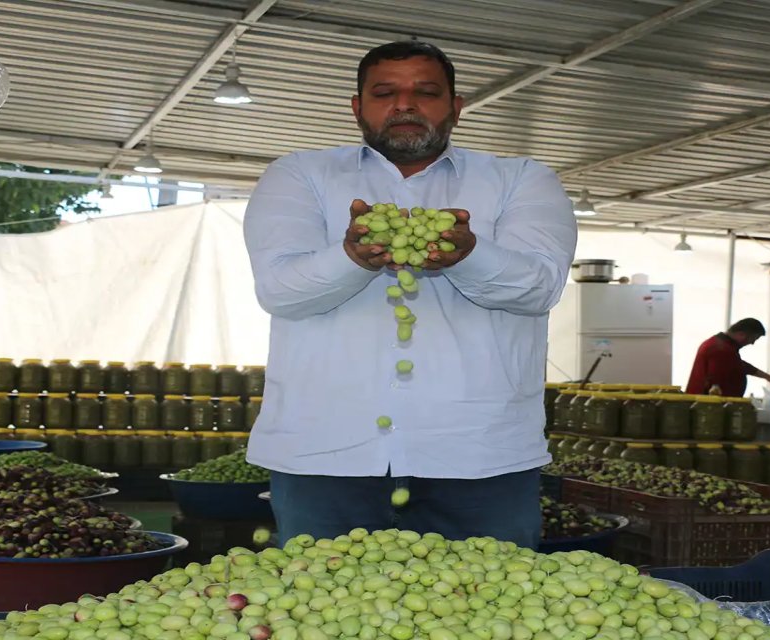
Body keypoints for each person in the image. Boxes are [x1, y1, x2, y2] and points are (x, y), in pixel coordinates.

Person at [242, 41, 577, 549]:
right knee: (325, 616)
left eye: (426, 92)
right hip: (326, 452)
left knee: (486, 614)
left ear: (456, 106)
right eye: (384, 93)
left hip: (479, 457)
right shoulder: (299, 176)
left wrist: (469, 254)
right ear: (357, 106)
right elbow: (280, 290)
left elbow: (539, 286)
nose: (405, 105)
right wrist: (352, 257)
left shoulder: (522, 181)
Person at [685, 318, 770, 397]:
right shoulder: (720, 348)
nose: (752, 343)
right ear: (741, 334)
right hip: (709, 406)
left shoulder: (724, 347)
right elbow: (715, 383)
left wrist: (768, 377)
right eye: (753, 339)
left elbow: (740, 365)